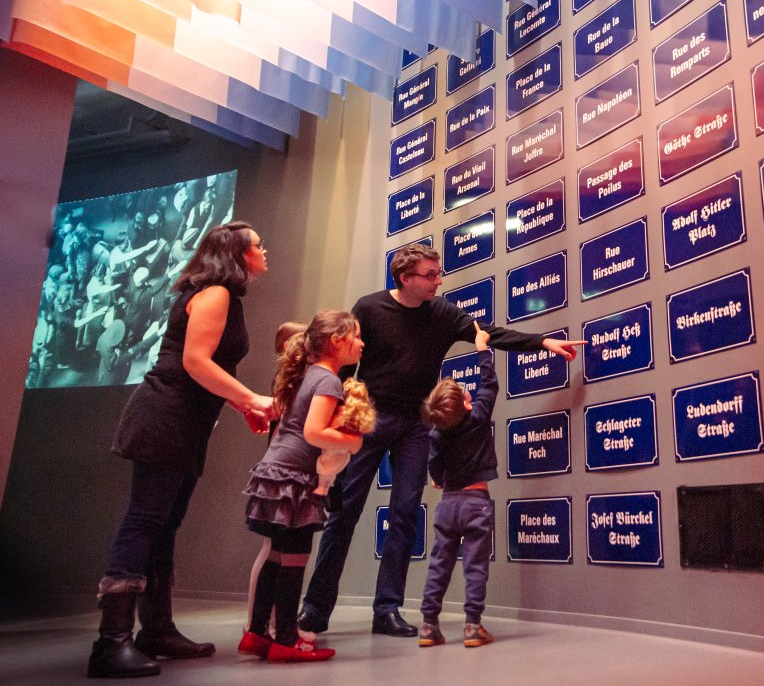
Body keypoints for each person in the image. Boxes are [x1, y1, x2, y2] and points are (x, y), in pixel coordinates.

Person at [298, 243, 585, 639]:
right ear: (405, 278)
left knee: (403, 517)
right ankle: (315, 610)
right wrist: (336, 414)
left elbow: (488, 333)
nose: (438, 281)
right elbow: (346, 362)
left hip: (416, 426)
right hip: (370, 419)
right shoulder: (369, 308)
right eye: (430, 275)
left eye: (438, 274)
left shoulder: (443, 313)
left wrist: (543, 343)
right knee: (345, 512)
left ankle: (387, 610)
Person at [87, 221, 275, 679]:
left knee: (164, 523)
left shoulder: (224, 296)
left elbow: (207, 366)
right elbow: (194, 361)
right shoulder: (216, 293)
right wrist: (251, 399)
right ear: (237, 254)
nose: (264, 250)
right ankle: (111, 643)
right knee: (145, 520)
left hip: (184, 421)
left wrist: (240, 406)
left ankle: (156, 630)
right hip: (165, 416)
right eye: (258, 245)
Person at [238, 311, 366, 663]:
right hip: (295, 478)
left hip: (275, 473)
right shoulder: (328, 381)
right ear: (337, 342)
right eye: (356, 336)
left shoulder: (305, 375)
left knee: (277, 554)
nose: (361, 343)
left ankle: (257, 633)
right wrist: (353, 442)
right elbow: (313, 432)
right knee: (295, 558)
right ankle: (286, 639)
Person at [417, 322, 498, 648]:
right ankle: (472, 627)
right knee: (475, 567)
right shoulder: (478, 419)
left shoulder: (437, 434)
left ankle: (428, 626)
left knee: (439, 565)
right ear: (466, 404)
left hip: (448, 505)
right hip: (477, 503)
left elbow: (434, 467)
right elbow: (489, 385)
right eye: (466, 394)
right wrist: (482, 349)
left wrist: (440, 481)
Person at [243, 321, 308, 639]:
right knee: (272, 550)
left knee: (276, 551)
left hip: (281, 477)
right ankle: (259, 625)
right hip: (281, 478)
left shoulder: (293, 382)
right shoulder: (288, 382)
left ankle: (266, 625)